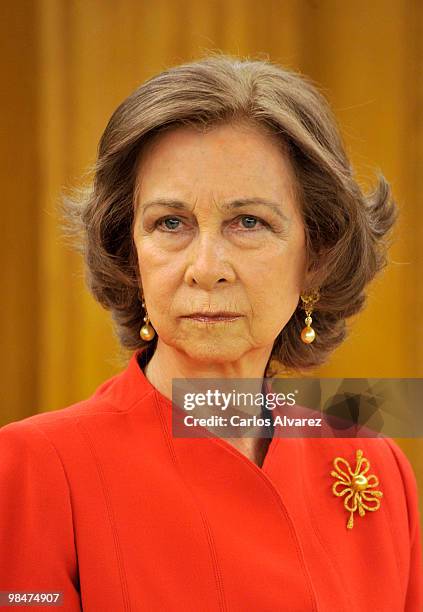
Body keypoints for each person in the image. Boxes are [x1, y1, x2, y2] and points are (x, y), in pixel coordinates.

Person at [0, 53, 421, 611]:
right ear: (130, 252)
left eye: (249, 222)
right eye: (169, 223)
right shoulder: (33, 466)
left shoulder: (377, 465)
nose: (206, 266)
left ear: (317, 254)